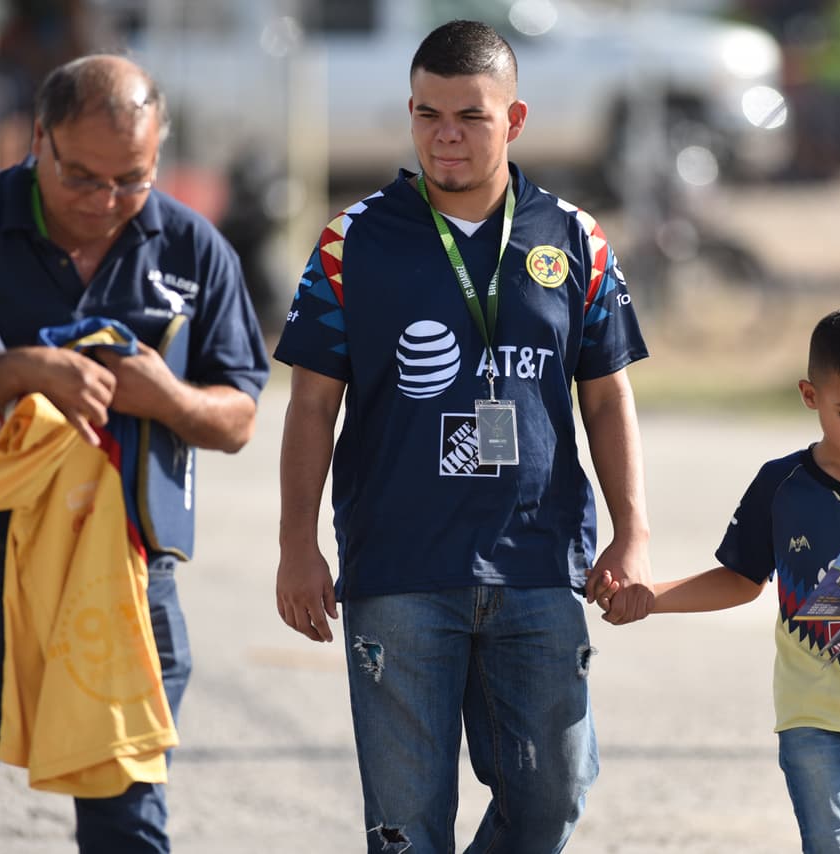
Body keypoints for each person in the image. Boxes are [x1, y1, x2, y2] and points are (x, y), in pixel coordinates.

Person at [273, 18, 653, 852]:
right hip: (399, 569)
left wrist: (632, 532)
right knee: (406, 827)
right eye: (428, 114)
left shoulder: (575, 238)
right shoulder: (351, 240)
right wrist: (297, 546)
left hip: (538, 565)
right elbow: (311, 406)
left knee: (553, 795)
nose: (445, 135)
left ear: (513, 120)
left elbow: (607, 397)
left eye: (470, 116)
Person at [0, 53, 269, 851]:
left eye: (131, 180)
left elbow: (238, 417)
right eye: (82, 177)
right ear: (39, 140)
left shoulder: (193, 247)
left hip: (127, 577)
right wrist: (26, 370)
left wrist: (165, 397)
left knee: (128, 827)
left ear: (159, 153)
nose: (105, 202)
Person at [590, 304, 840, 853]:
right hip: (811, 717)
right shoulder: (780, 485)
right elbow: (740, 578)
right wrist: (649, 598)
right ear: (810, 395)